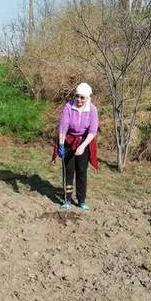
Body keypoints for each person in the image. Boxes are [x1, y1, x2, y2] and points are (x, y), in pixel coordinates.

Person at [54, 82, 99, 211]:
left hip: (84, 142)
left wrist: (83, 146)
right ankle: (67, 199)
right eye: (77, 96)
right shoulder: (69, 107)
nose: (78, 100)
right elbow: (63, 127)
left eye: (82, 97)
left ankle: (81, 200)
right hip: (69, 140)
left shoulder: (92, 109)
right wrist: (62, 145)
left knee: (81, 171)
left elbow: (93, 131)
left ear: (87, 98)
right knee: (68, 171)